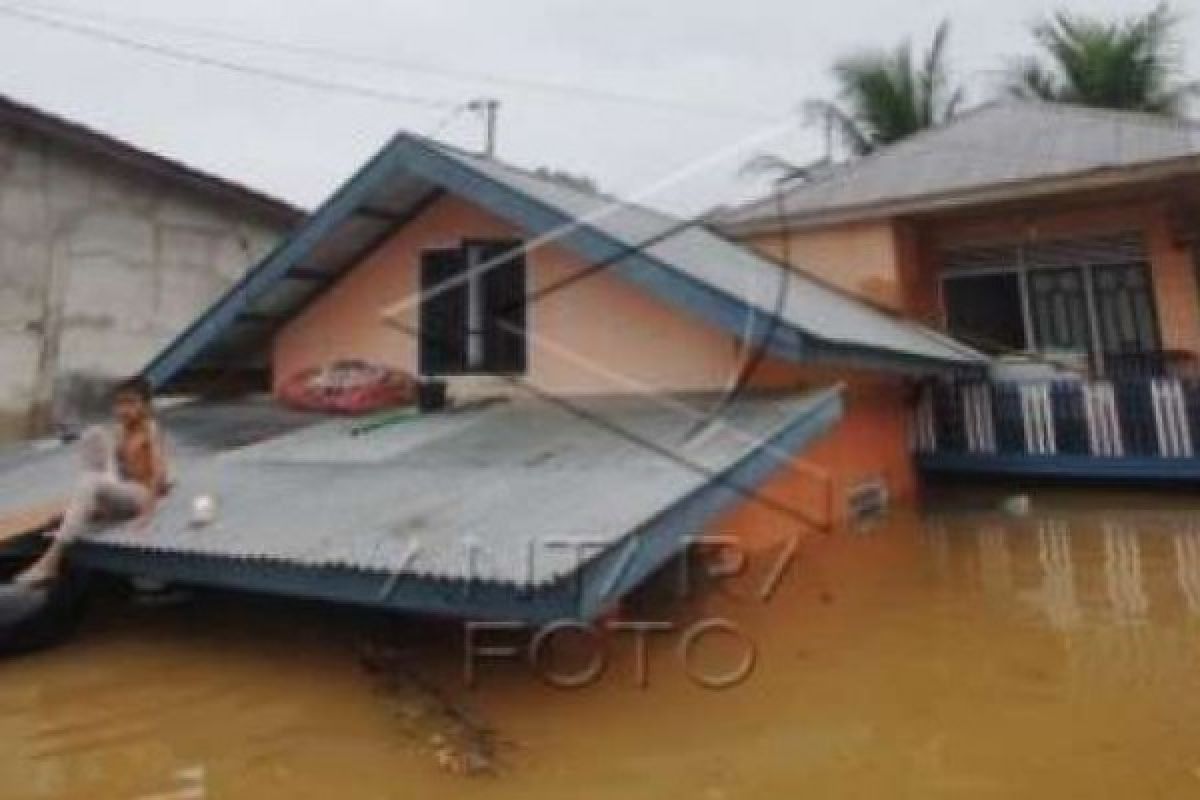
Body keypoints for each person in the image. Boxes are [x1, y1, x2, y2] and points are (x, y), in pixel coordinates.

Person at [15, 377, 168, 585]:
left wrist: (147, 514)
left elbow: (159, 475)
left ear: (146, 406)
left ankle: (50, 561)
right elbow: (111, 472)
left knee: (91, 482)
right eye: (120, 403)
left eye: (131, 403)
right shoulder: (118, 432)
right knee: (93, 440)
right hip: (121, 493)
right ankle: (75, 517)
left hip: (140, 494)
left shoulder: (150, 430)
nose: (124, 409)